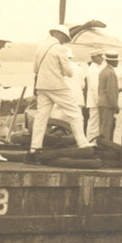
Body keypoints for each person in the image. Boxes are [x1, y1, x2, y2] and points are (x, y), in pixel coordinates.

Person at [28, 25, 92, 162]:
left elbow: (35, 68)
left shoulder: (41, 47)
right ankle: (83, 144)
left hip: (42, 86)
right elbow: (69, 72)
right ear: (59, 35)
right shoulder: (60, 49)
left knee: (41, 117)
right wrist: (61, 71)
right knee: (75, 113)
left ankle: (34, 147)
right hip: (57, 86)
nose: (64, 40)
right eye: (64, 38)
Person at [51, 47, 85, 124]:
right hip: (76, 100)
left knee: (58, 124)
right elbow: (82, 85)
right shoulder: (78, 67)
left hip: (61, 101)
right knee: (77, 126)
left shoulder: (57, 67)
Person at [97, 50, 121, 141]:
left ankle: (101, 145)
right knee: (106, 128)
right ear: (113, 61)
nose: (118, 62)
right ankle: (105, 147)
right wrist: (115, 105)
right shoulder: (111, 73)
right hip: (107, 104)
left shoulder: (103, 71)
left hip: (101, 102)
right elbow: (110, 91)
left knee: (102, 127)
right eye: (117, 60)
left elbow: (100, 89)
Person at [84, 49, 104, 141]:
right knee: (93, 123)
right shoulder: (93, 70)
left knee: (95, 123)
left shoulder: (96, 69)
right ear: (94, 57)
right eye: (100, 56)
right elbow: (94, 88)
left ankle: (93, 141)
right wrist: (98, 101)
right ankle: (91, 141)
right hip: (95, 101)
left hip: (95, 100)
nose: (102, 58)